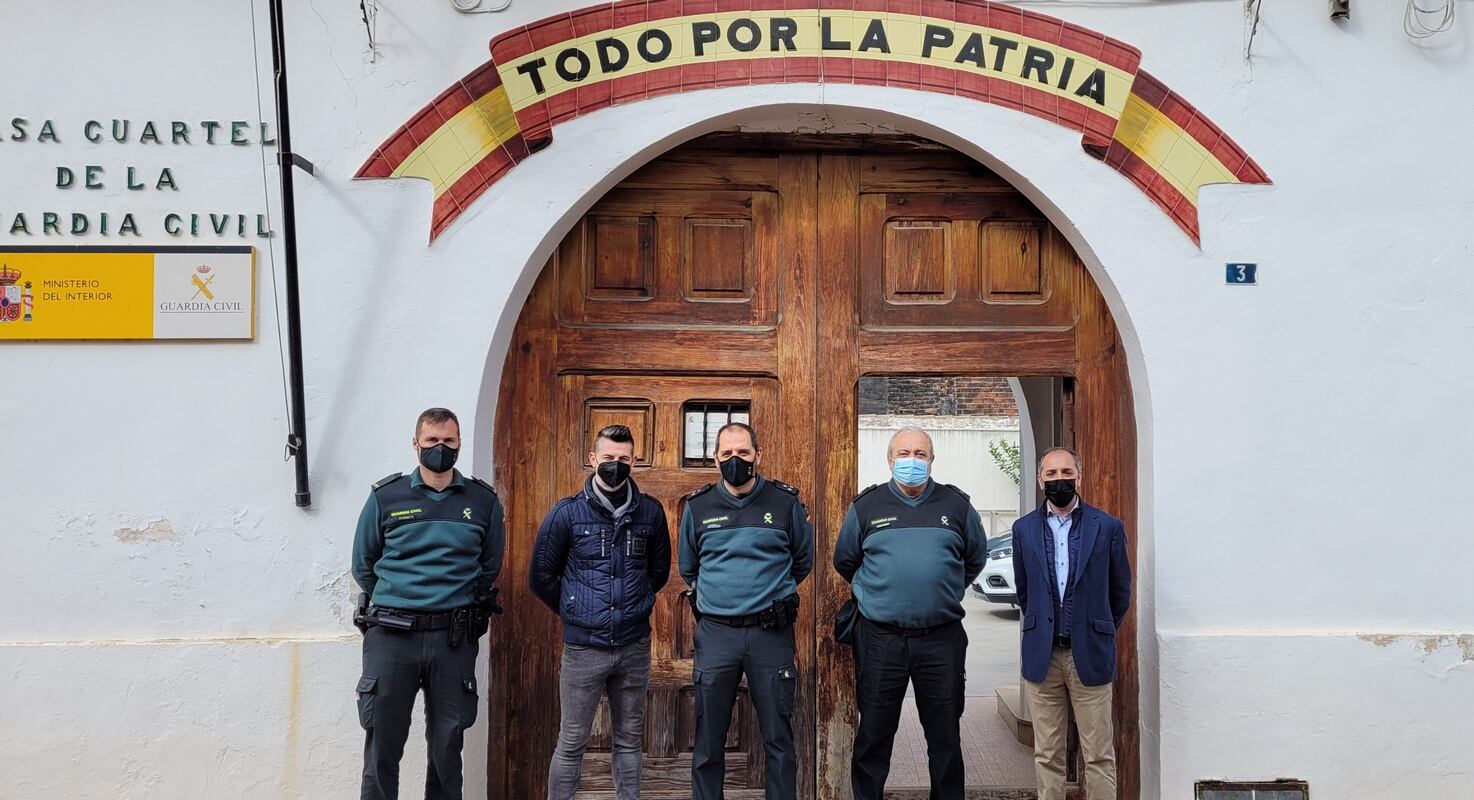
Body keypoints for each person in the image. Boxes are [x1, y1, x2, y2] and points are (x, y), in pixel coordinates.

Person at [351, 407, 505, 800]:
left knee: (447, 747)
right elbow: (363, 565)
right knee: (382, 745)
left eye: (449, 441)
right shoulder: (387, 496)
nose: (441, 448)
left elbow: (488, 567)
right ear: (416, 443)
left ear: (459, 444)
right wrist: (402, 598)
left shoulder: (482, 501)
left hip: (452, 640)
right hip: (392, 638)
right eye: (432, 441)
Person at [834, 426, 987, 800]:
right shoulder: (865, 507)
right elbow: (846, 561)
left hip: (941, 639)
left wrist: (938, 589)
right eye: (904, 454)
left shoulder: (957, 506)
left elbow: (974, 559)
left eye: (920, 453)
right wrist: (886, 592)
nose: (912, 461)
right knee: (873, 735)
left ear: (932, 460)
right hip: (881, 639)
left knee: (945, 738)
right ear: (890, 460)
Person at [529, 424, 672, 800]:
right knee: (573, 739)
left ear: (634, 460)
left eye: (623, 459)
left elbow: (657, 572)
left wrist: (632, 605)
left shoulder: (651, 514)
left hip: (633, 647)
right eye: (608, 458)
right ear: (593, 459)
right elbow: (542, 575)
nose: (615, 464)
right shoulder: (567, 514)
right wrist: (576, 608)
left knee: (629, 741)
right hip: (583, 649)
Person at [679, 422, 813, 800]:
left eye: (743, 453)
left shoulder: (784, 503)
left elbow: (801, 561)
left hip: (770, 635)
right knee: (707, 743)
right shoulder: (698, 506)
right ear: (715, 458)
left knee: (779, 740)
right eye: (726, 454)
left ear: (758, 455)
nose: (734, 460)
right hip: (717, 635)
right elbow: (689, 567)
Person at [1012, 446, 1132, 800]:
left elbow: (1119, 593)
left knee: (1098, 755)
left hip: (1089, 654)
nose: (1059, 480)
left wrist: (1096, 630)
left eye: (1066, 473)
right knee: (1047, 754)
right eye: (1051, 474)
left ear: (1079, 476)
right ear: (1039, 480)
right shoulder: (1023, 530)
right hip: (1043, 656)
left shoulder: (1107, 527)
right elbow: (1025, 591)